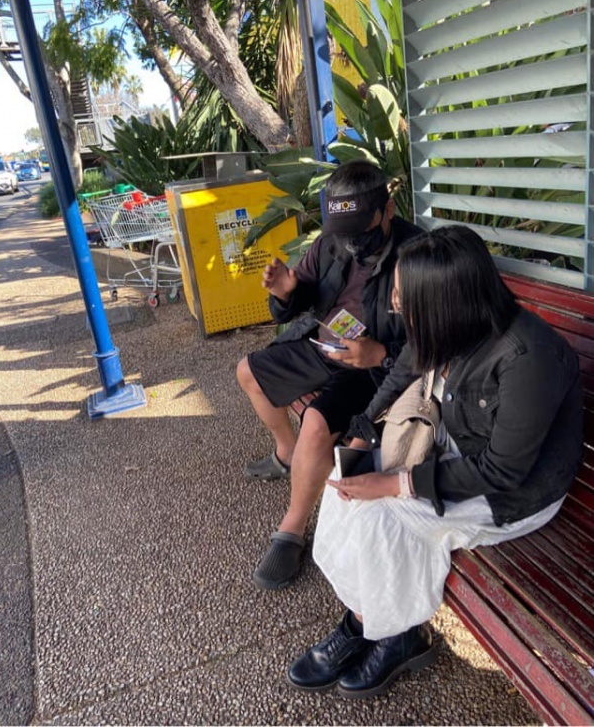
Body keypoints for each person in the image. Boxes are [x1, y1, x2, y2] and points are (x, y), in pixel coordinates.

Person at [287, 225, 583, 699]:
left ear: (443, 300)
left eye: (403, 298)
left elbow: (503, 472)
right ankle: (367, 619)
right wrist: (363, 434)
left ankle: (398, 634)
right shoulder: (451, 325)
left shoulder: (528, 357)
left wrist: (396, 484)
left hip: (514, 492)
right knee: (347, 482)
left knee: (383, 514)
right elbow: (402, 373)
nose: (395, 306)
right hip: (460, 444)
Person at [236, 160, 422, 590]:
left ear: (388, 210)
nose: (352, 241)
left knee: (317, 423)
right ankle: (287, 453)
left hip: (370, 366)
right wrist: (287, 293)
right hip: (323, 344)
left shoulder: (417, 255)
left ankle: (292, 529)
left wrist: (381, 354)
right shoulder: (331, 242)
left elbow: (432, 341)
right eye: (343, 231)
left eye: (361, 229)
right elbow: (300, 295)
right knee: (248, 371)